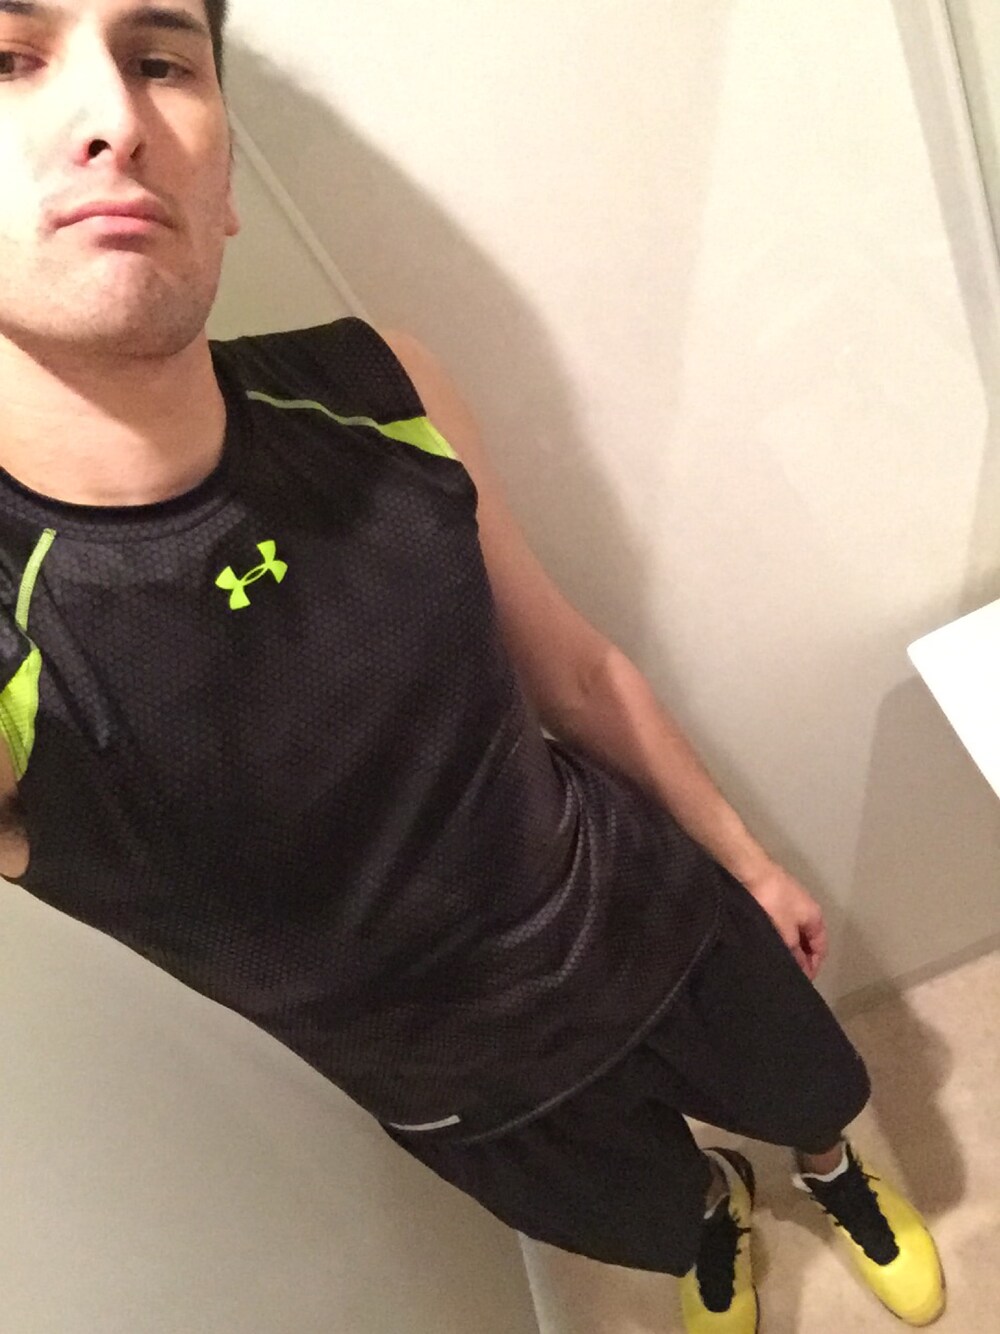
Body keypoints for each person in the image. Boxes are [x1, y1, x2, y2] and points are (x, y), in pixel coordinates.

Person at [0, 3, 945, 1330]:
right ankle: (714, 1213)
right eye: (9, 59)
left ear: (225, 188)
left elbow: (575, 670)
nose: (113, 118)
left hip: (638, 909)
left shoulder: (377, 385)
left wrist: (747, 859)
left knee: (806, 1087)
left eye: (161, 62)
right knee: (645, 1205)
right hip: (454, 1079)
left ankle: (832, 1172)